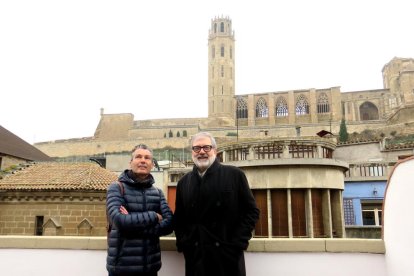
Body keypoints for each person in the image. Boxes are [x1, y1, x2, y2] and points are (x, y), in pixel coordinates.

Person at [174, 132, 260, 276]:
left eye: (206, 147)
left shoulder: (235, 175)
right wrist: (184, 243)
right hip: (196, 258)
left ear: (215, 150)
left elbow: (251, 211)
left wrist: (237, 244)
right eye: (196, 148)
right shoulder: (184, 182)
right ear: (192, 152)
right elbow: (179, 218)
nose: (201, 152)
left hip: (227, 259)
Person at [106, 144, 173, 276]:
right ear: (131, 163)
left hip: (150, 269)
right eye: (138, 157)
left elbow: (170, 224)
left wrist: (132, 226)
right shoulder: (116, 188)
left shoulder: (158, 193)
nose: (143, 160)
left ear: (152, 164)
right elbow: (119, 221)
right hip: (121, 269)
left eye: (147, 158)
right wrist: (154, 216)